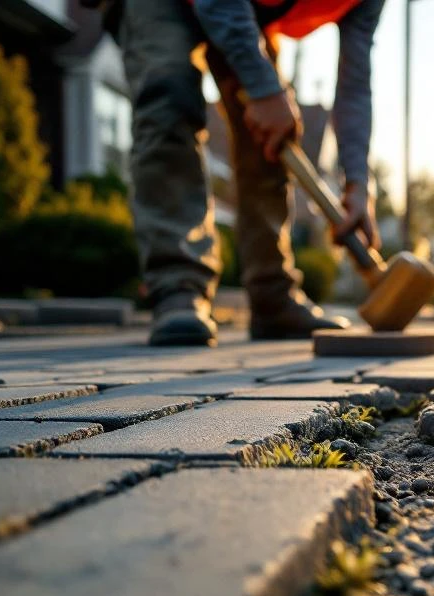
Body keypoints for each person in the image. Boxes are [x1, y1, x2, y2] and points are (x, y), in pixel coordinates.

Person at [116, 0, 385, 345]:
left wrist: (358, 183)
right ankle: (178, 288)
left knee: (272, 133)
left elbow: (355, 84)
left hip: (245, 10)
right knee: (169, 96)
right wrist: (263, 89)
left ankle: (272, 295)